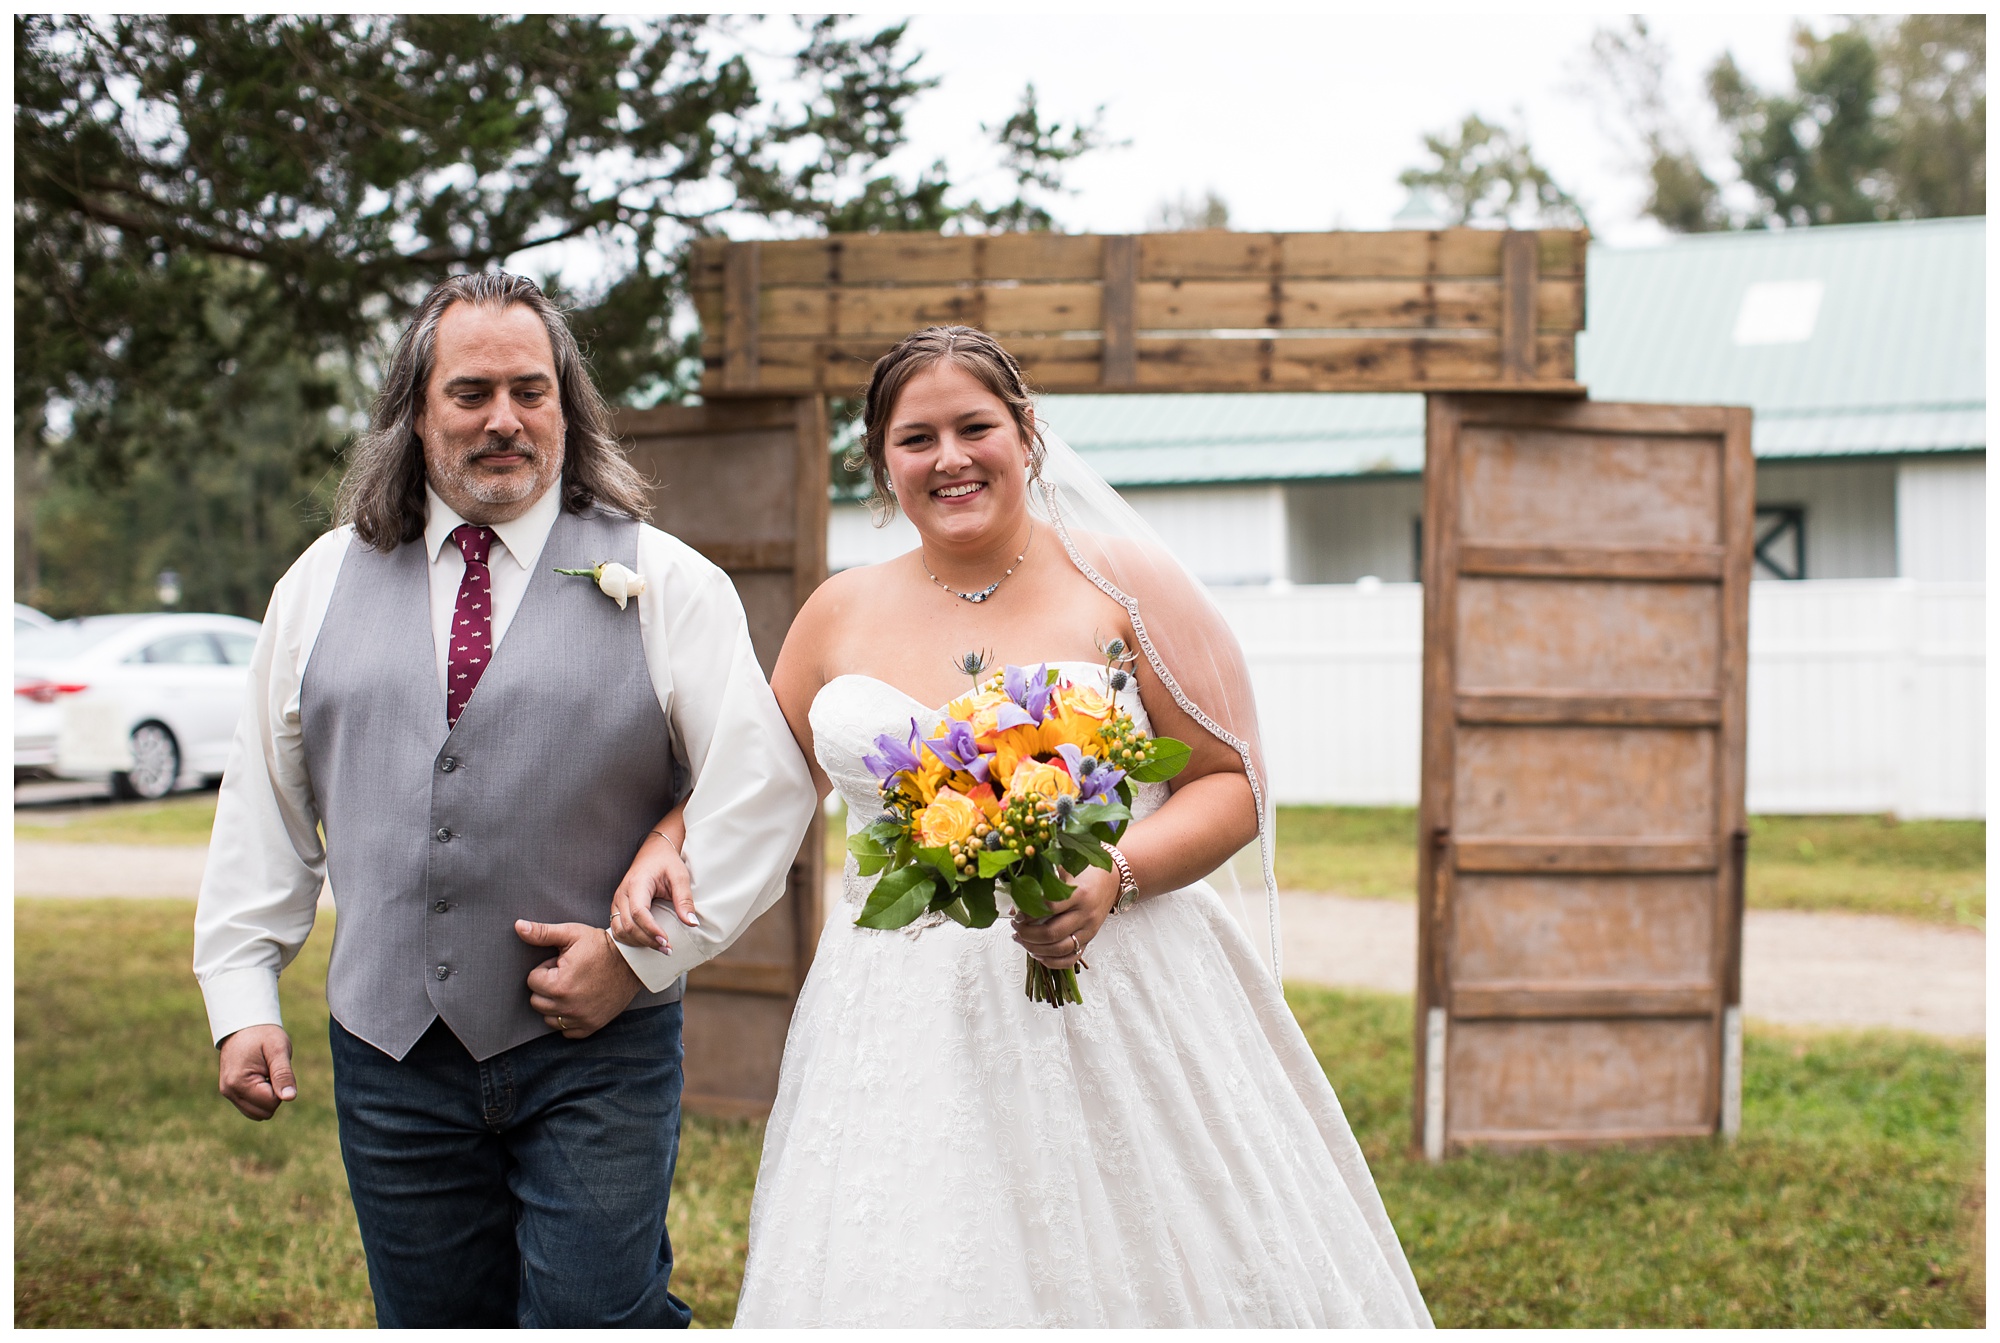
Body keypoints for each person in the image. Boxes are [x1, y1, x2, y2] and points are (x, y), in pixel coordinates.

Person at [614, 325, 1433, 1326]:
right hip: (893, 1007)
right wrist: (668, 834)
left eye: (974, 426)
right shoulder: (837, 612)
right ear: (880, 461)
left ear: (1026, 434)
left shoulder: (1126, 583)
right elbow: (756, 781)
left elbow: (1232, 780)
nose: (949, 457)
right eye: (916, 438)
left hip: (1119, 981)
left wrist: (1111, 875)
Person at [193, 272, 814, 1327]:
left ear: (566, 407)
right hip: (389, 1053)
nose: (503, 420)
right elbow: (266, 800)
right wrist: (242, 992)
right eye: (470, 391)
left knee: (595, 1312)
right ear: (414, 411)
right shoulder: (319, 583)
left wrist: (638, 956)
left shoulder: (665, 581)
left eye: (531, 391)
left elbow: (761, 790)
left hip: (596, 1053)